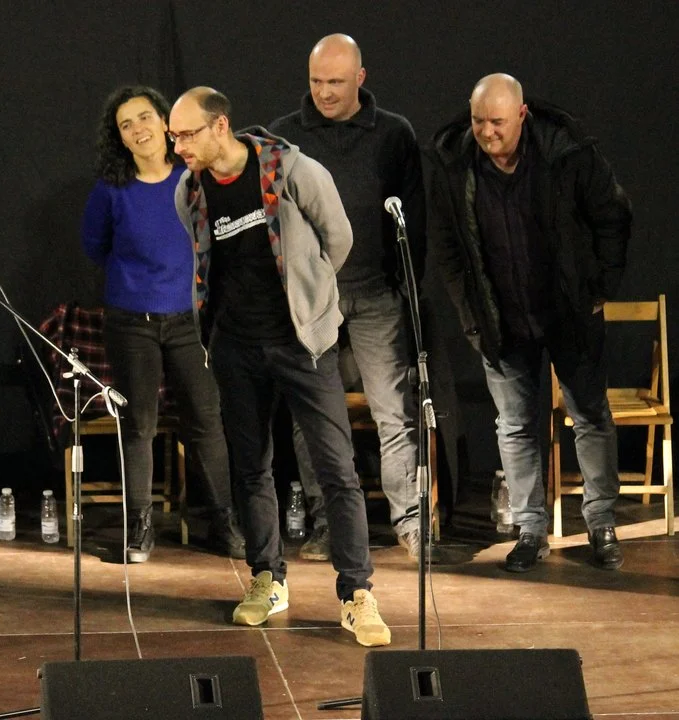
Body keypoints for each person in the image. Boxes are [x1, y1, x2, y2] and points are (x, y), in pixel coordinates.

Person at [169, 88, 390, 646]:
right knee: (251, 468)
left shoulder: (291, 170)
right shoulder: (189, 191)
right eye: (174, 137)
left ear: (221, 125)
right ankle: (267, 577)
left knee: (336, 468)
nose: (179, 148)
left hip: (301, 343)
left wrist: (309, 299)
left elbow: (338, 240)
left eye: (187, 134)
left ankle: (357, 593)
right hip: (235, 346)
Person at [427, 74, 632, 572]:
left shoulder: (566, 154)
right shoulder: (456, 165)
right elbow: (449, 248)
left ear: (522, 115)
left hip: (567, 312)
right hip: (501, 318)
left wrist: (599, 289)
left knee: (590, 415)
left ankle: (601, 523)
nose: (486, 132)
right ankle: (530, 528)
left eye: (497, 122)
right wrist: (471, 314)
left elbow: (613, 215)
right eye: (478, 121)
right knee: (515, 426)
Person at [270, 34, 428, 562]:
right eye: (316, 81)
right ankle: (328, 524)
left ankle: (410, 522)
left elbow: (414, 218)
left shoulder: (394, 133)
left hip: (375, 293)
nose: (324, 92)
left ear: (360, 78)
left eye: (335, 82)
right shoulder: (285, 136)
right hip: (314, 299)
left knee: (393, 412)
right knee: (314, 416)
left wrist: (406, 286)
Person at [81, 85, 245, 563]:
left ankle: (224, 522)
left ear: (165, 123)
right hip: (131, 322)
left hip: (190, 321)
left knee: (206, 420)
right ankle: (140, 527)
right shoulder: (111, 190)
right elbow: (95, 246)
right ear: (119, 138)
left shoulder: (194, 178)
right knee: (138, 424)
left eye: (145, 117)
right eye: (126, 124)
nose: (138, 129)